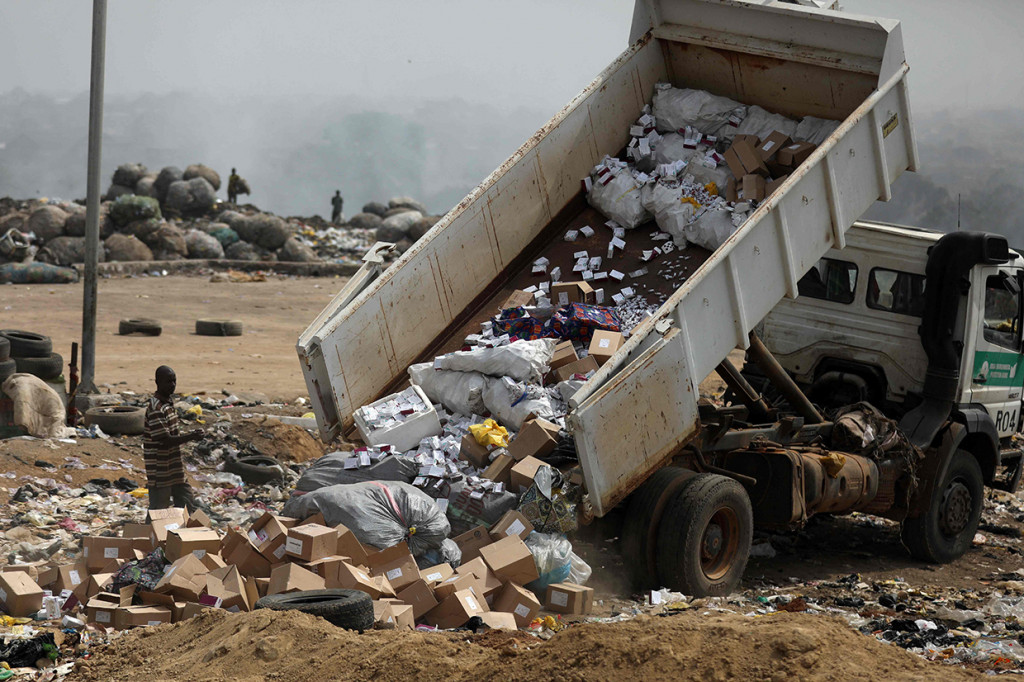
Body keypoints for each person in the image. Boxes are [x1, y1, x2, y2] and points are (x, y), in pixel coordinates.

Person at [143, 365, 203, 511]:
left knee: (187, 505)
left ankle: (185, 533)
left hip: (174, 466)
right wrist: (192, 436)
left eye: (174, 381)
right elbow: (165, 440)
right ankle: (148, 534)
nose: (172, 385)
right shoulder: (156, 408)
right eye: (168, 382)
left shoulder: (168, 404)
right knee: (158, 511)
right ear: (158, 382)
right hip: (160, 468)